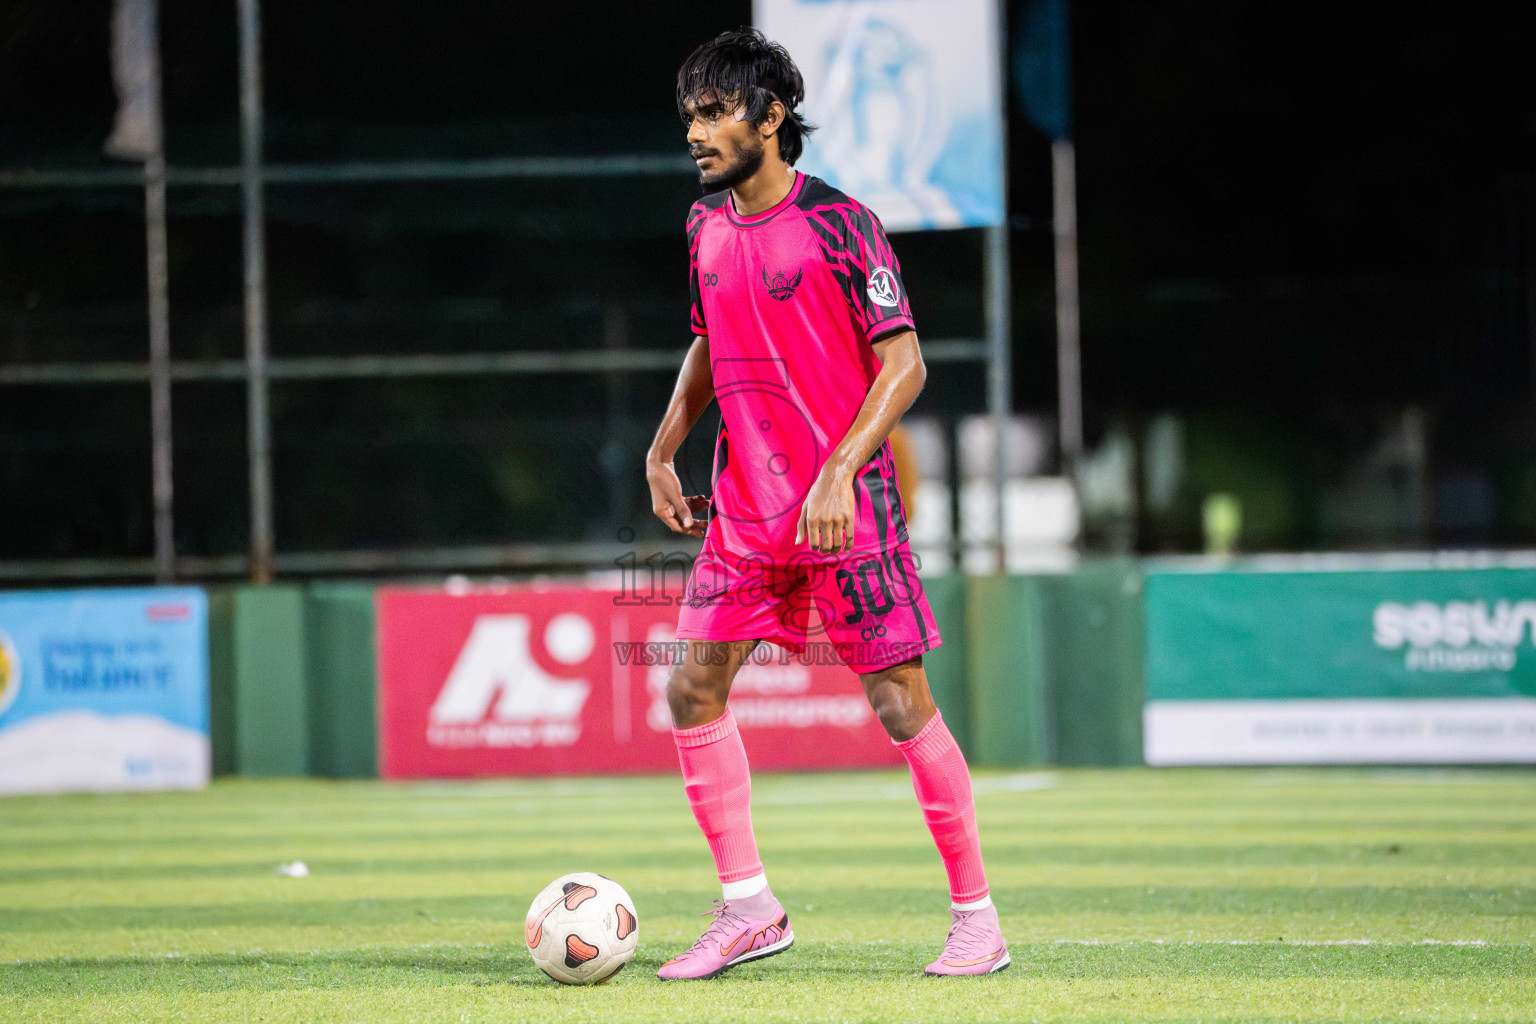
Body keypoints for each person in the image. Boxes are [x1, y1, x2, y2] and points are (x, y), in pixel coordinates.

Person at [644, 28, 1008, 981]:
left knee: (899, 705)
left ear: (771, 117)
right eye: (691, 114)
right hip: (744, 516)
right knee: (691, 688)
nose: (698, 131)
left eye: (717, 110)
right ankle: (748, 909)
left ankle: (978, 920)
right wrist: (663, 444)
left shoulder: (844, 224)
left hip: (847, 511)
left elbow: (905, 363)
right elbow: (707, 342)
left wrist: (844, 468)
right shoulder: (701, 226)